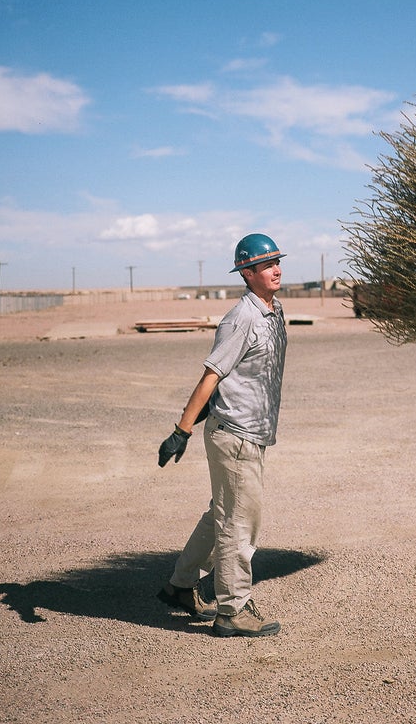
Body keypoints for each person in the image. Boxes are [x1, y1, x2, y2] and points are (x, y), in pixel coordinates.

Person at [156, 233, 287, 637]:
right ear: (247, 273)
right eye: (266, 265)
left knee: (222, 515)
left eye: (277, 261)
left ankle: (180, 586)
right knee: (239, 523)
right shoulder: (242, 317)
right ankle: (232, 609)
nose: (276, 269)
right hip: (235, 436)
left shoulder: (274, 309)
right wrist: (181, 430)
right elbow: (212, 374)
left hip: (252, 434)